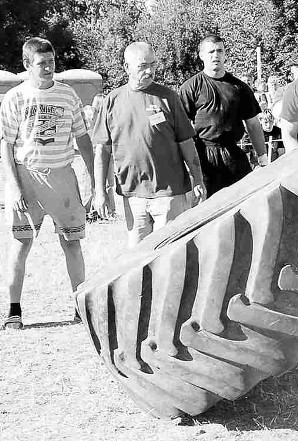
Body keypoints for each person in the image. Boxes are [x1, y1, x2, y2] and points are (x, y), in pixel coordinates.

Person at [0, 37, 94, 329]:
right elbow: (7, 144)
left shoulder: (67, 95)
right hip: (27, 175)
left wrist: (92, 180)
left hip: (62, 174)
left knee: (72, 242)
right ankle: (14, 310)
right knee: (21, 243)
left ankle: (81, 306)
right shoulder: (15, 97)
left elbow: (83, 138)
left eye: (52, 62)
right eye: (42, 63)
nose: (48, 68)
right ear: (27, 65)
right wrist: (14, 186)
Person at [92, 42, 206, 248]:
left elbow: (186, 143)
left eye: (153, 64)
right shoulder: (111, 101)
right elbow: (102, 150)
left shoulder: (168, 97)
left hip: (169, 193)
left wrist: (198, 179)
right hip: (132, 193)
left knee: (170, 256)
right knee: (136, 260)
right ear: (127, 67)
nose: (150, 71)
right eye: (143, 66)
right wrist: (100, 192)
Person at [179, 35, 268, 197]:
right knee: (206, 211)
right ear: (201, 55)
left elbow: (253, 125)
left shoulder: (239, 87)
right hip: (204, 157)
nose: (216, 55)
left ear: (225, 54)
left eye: (220, 51)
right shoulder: (190, 87)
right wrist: (187, 165)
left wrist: (262, 158)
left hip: (233, 153)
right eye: (211, 51)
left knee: (244, 202)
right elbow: (182, 130)